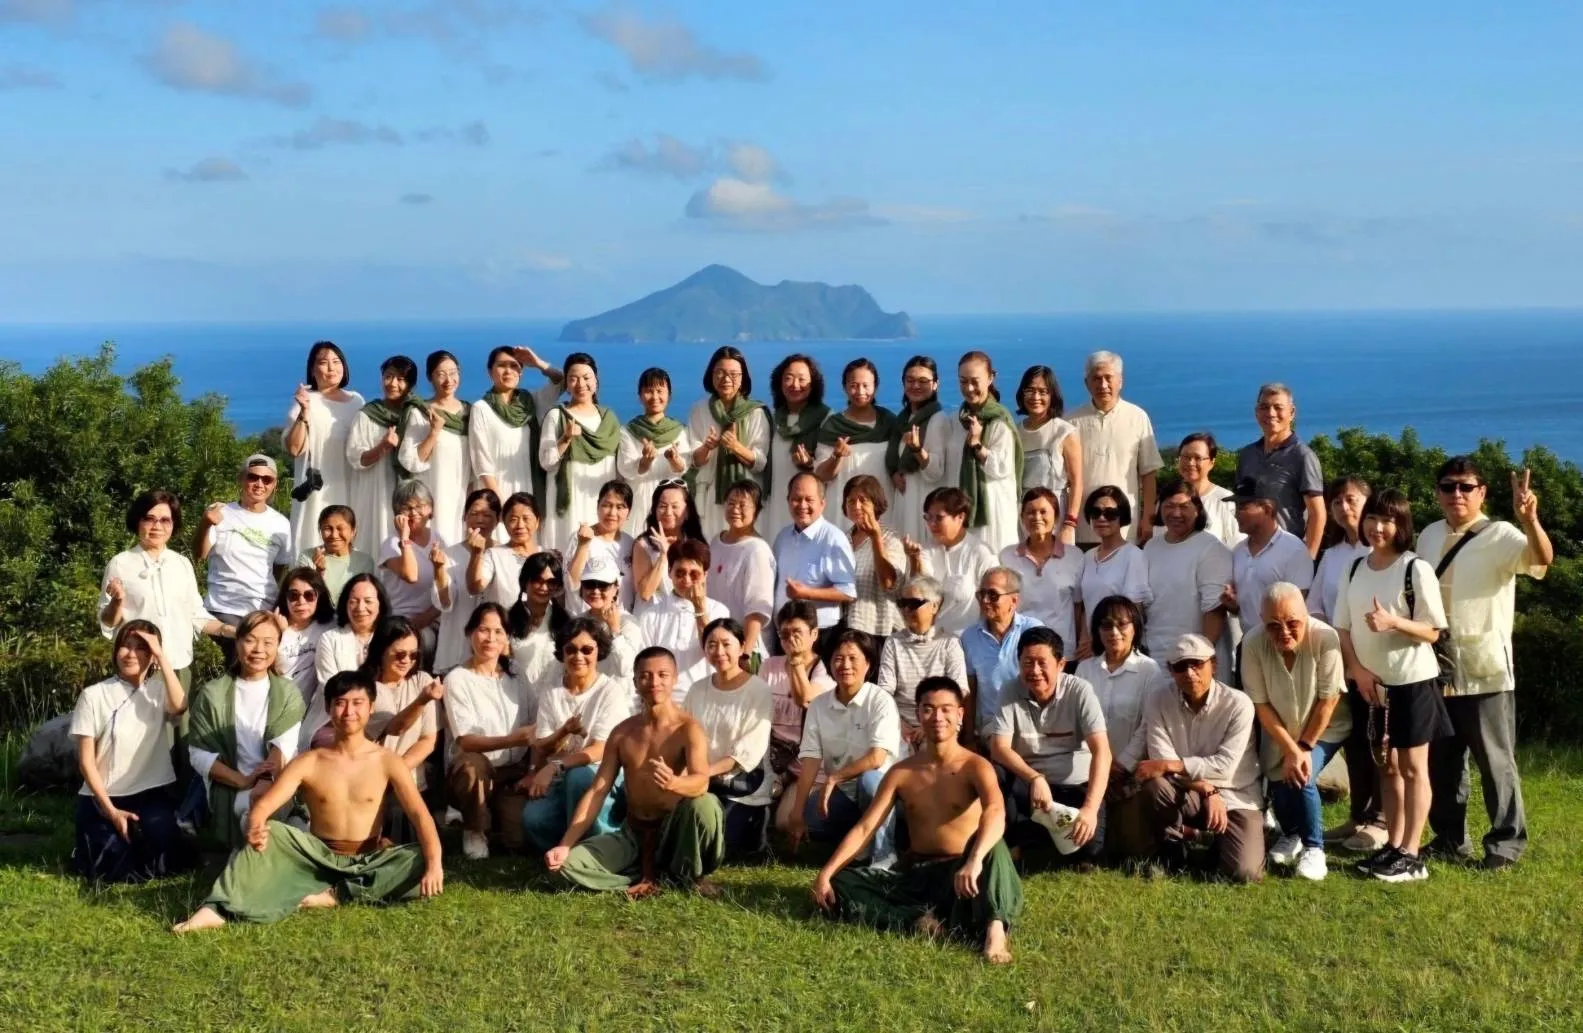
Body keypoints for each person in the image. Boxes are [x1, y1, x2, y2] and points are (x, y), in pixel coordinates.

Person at [172, 670, 443, 933]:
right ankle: (217, 909)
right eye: (340, 703)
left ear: (371, 708)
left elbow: (420, 815)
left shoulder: (388, 761)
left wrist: (434, 865)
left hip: (368, 856)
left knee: (420, 857)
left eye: (357, 703)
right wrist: (256, 822)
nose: (349, 712)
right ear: (328, 709)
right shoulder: (310, 761)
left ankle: (334, 895)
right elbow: (267, 803)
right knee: (270, 834)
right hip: (317, 855)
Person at [812, 677, 1022, 964]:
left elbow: (996, 813)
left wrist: (974, 859)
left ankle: (995, 932)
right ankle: (918, 922)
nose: (938, 717)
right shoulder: (901, 772)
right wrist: (826, 873)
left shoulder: (975, 766)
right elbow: (865, 827)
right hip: (916, 873)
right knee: (843, 882)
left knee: (995, 849)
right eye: (929, 709)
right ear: (918, 714)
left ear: (960, 714)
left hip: (963, 873)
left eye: (946, 709)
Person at [1422, 459, 1552, 871]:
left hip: (1485, 668)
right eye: (1448, 486)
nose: (1456, 494)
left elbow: (1541, 561)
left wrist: (1530, 519)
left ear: (1482, 493)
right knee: (1442, 763)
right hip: (1434, 667)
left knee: (1496, 762)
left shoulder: (1501, 535)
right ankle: (1447, 838)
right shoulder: (1427, 536)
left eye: (1465, 486)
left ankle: (1505, 845)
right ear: (1438, 492)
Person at [1333, 489, 1452, 883]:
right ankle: (1394, 845)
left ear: (1402, 526)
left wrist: (1394, 623)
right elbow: (1343, 628)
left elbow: (1433, 631)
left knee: (1414, 768)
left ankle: (1412, 854)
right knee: (1389, 767)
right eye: (1372, 518)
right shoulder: (1354, 568)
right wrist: (1357, 670)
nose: (1377, 527)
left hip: (1412, 682)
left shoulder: (1414, 568)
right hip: (1372, 686)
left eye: (1387, 520)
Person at [546, 646, 726, 898]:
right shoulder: (622, 732)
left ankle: (684, 873)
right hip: (632, 833)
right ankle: (649, 878)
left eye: (663, 675)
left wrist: (674, 782)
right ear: (635, 681)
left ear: (674, 679)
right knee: (563, 868)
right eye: (646, 675)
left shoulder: (689, 728)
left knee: (706, 805)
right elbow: (598, 791)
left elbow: (701, 783)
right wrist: (565, 845)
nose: (654, 682)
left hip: (676, 834)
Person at [71, 621, 195, 883]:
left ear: (152, 656)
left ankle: (164, 838)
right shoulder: (93, 696)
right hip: (103, 795)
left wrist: (161, 655)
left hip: (151, 793)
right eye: (125, 646)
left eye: (141, 648)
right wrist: (110, 810)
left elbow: (180, 707)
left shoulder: (159, 691)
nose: (130, 654)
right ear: (115, 651)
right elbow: (85, 762)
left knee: (164, 853)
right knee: (107, 867)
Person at [1135, 634, 1263, 883]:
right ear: (1170, 670)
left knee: (1244, 874)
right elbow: (1160, 761)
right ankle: (1171, 848)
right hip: (1189, 791)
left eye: (1197, 664)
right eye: (1181, 666)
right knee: (1156, 786)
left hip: (1237, 795)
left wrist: (1173, 765)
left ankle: (1217, 841)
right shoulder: (1158, 699)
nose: (1190, 673)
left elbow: (1225, 767)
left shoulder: (1239, 704)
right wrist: (1205, 789)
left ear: (1214, 664)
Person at [1242, 583, 1349, 881]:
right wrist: (1289, 748)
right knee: (1277, 777)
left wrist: (1301, 749)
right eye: (1273, 626)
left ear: (1306, 616)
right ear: (1262, 621)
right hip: (1280, 727)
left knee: (1303, 774)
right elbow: (1260, 704)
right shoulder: (1252, 644)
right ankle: (1291, 834)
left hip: (1325, 727)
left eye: (1292, 624)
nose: (1284, 632)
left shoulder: (1325, 638)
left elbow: (1329, 700)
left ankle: (1315, 849)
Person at [987, 626, 1110, 864]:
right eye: (1027, 662)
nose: (1034, 671)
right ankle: (1017, 842)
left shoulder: (1080, 691)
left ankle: (1036, 843)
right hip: (1031, 790)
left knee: (1092, 851)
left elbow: (1102, 751)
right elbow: (998, 747)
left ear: (1061, 664)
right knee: (995, 773)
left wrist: (1090, 809)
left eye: (1042, 663)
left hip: (1075, 786)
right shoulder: (1010, 690)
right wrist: (1035, 778)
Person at [1306, 476, 1382, 851]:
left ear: (1368, 502)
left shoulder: (1381, 549)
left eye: (1350, 499)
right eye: (1335, 502)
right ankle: (1359, 815)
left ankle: (1381, 820)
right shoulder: (1332, 555)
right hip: (1342, 663)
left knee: (1381, 742)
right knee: (1355, 740)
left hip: (1380, 664)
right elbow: (1315, 607)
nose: (1342, 507)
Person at [186, 611, 306, 848]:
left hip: (275, 782)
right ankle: (247, 864)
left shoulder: (287, 692)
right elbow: (198, 754)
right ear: (238, 642)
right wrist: (241, 780)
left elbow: (284, 745)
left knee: (295, 823)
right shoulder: (212, 694)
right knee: (250, 812)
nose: (259, 649)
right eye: (250, 640)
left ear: (278, 646)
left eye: (268, 642)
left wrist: (264, 780)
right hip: (230, 786)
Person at [786, 630, 902, 867]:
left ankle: (883, 855)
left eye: (853, 658)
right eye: (838, 658)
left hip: (882, 791)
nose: (845, 665)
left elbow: (877, 758)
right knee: (810, 817)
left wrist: (834, 778)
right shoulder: (819, 705)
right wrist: (796, 814)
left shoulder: (880, 700)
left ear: (868, 664)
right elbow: (810, 760)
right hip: (843, 793)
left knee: (870, 780)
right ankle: (857, 839)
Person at [521, 618, 633, 853]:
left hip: (600, 776)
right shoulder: (551, 694)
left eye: (586, 649)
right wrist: (561, 735)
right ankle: (568, 849)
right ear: (562, 653)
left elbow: (602, 749)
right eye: (570, 649)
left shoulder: (610, 691)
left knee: (579, 777)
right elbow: (542, 745)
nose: (578, 656)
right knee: (532, 820)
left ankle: (602, 847)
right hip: (560, 779)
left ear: (598, 652)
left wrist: (555, 766)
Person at [99, 489, 231, 688]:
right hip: (138, 668)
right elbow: (108, 621)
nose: (157, 526)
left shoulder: (182, 564)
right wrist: (117, 601)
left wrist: (230, 630)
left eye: (165, 520)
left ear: (173, 524)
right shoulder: (120, 563)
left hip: (179, 666)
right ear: (138, 522)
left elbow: (196, 615)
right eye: (149, 519)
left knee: (179, 719)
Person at [443, 602, 537, 859]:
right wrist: (512, 739)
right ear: (469, 633)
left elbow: (533, 720)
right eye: (484, 630)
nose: (490, 638)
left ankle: (490, 816)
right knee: (472, 766)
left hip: (512, 772)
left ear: (506, 637)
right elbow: (467, 741)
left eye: (498, 632)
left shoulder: (516, 673)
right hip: (475, 769)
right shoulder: (457, 679)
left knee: (518, 841)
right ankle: (474, 828)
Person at [1073, 596, 1164, 860]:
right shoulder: (1085, 669)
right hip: (1088, 771)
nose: (1114, 633)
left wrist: (1121, 764)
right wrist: (1097, 764)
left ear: (1135, 627)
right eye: (1106, 625)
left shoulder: (1150, 670)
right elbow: (1077, 720)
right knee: (1094, 848)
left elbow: (1149, 725)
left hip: (1129, 774)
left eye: (1122, 624)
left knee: (1131, 848)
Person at [685, 618, 774, 858]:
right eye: (712, 645)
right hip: (703, 783)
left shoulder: (759, 690)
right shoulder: (697, 689)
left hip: (741, 787)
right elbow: (685, 736)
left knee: (721, 846)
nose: (719, 651)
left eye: (726, 643)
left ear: (742, 645)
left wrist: (702, 772)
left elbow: (747, 752)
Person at [194, 454, 292, 648]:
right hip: (223, 609)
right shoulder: (220, 513)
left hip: (263, 613)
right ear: (241, 478)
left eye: (267, 479)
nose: (259, 484)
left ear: (275, 484)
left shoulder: (281, 524)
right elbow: (199, 555)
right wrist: (205, 524)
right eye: (252, 477)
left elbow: (280, 569)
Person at [355, 616, 440, 837]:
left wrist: (398, 773)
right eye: (400, 654)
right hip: (371, 782)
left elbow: (428, 740)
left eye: (413, 655)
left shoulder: (422, 680)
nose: (406, 660)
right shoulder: (365, 688)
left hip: (410, 783)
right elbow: (396, 727)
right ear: (381, 650)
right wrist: (422, 701)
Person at [1069, 351, 1163, 546]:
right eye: (1096, 378)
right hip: (1083, 528)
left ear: (1120, 381)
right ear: (1087, 383)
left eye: (1108, 378)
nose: (1103, 385)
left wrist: (1148, 518)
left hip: (1125, 527)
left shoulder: (1137, 418)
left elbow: (1148, 473)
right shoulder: (1071, 422)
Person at [284, 340, 365, 554]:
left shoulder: (357, 401)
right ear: (312, 368)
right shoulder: (307, 400)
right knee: (313, 544)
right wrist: (304, 412)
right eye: (323, 362)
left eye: (337, 361)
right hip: (315, 491)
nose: (331, 367)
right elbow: (294, 449)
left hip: (350, 486)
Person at [763, 603, 836, 831]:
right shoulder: (769, 666)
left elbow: (804, 698)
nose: (789, 639)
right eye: (784, 634)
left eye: (797, 633)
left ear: (814, 634)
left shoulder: (825, 671)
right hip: (775, 758)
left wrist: (795, 661)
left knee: (784, 822)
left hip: (808, 765)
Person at [539, 352, 622, 552]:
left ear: (596, 381)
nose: (580, 384)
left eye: (586, 378)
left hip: (600, 497)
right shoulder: (557, 416)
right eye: (573, 379)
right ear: (566, 384)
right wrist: (565, 439)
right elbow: (546, 462)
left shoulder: (609, 419)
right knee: (566, 553)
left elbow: (618, 468)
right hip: (569, 501)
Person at [875, 576, 968, 753]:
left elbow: (959, 691)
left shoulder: (949, 643)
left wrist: (927, 726)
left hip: (939, 723)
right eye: (902, 603)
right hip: (900, 725)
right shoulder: (894, 642)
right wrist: (898, 724)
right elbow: (885, 691)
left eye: (914, 603)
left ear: (935, 606)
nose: (906, 609)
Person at [771, 473, 858, 658]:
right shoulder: (782, 538)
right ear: (788, 501)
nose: (802, 505)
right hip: (784, 634)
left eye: (809, 499)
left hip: (820, 637)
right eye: (796, 499)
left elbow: (848, 592)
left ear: (822, 503)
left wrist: (806, 593)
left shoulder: (833, 539)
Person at [1143, 480, 1233, 659]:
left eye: (1184, 506)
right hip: (1154, 655)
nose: (1176, 513)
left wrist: (1202, 657)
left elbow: (1214, 609)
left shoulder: (1211, 548)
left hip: (1196, 658)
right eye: (1169, 506)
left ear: (1197, 509)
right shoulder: (1151, 547)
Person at [1235, 383, 1326, 557]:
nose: (1270, 413)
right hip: (1250, 553)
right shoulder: (1247, 455)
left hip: (1287, 553)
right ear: (1256, 413)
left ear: (1292, 413)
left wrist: (1307, 560)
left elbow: (1317, 513)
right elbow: (1241, 505)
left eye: (1278, 407)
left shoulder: (1302, 456)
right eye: (1264, 407)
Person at [688, 345, 770, 541]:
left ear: (743, 379)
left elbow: (761, 462)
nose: (726, 379)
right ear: (711, 375)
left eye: (734, 374)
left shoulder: (755, 412)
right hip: (711, 496)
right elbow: (693, 460)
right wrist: (707, 448)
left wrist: (735, 447)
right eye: (720, 373)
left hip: (747, 498)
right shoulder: (699, 410)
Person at [944, 351, 1022, 553]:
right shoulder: (956, 419)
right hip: (962, 508)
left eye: (974, 381)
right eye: (963, 381)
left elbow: (1001, 468)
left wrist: (977, 443)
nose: (969, 388)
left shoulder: (999, 420)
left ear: (990, 378)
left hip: (992, 511)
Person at [468, 345, 564, 506]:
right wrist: (500, 502)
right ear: (490, 371)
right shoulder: (481, 408)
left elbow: (562, 381)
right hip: (495, 493)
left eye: (514, 366)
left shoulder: (531, 402)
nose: (508, 371)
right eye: (501, 365)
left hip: (529, 489)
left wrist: (539, 363)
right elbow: (481, 462)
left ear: (521, 372)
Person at [398, 349, 473, 545]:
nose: (448, 379)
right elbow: (411, 461)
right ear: (430, 378)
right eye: (441, 374)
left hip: (460, 492)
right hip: (431, 491)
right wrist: (434, 432)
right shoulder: (420, 412)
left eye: (453, 372)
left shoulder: (469, 412)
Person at [635, 539, 730, 694]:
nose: (686, 580)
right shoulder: (651, 615)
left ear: (705, 575)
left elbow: (714, 651)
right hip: (665, 699)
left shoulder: (719, 611)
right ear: (669, 572)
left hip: (706, 696)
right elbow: (644, 665)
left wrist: (699, 608)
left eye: (694, 574)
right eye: (680, 573)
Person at [1000, 487, 1084, 660]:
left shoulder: (1075, 556)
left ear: (1057, 516)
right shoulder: (1007, 556)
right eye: (1030, 512)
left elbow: (1078, 608)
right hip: (1021, 650)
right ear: (1022, 517)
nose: (1037, 517)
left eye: (1043, 512)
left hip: (1062, 653)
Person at [345, 354, 418, 551]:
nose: (393, 383)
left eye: (401, 379)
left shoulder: (416, 415)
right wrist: (383, 447)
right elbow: (354, 457)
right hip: (374, 494)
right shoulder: (367, 415)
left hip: (408, 496)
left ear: (411, 385)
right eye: (388, 376)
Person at [960, 567, 1043, 736]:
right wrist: (968, 737)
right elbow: (970, 690)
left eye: (993, 595)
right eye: (980, 594)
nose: (984, 600)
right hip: (992, 725)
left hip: (1031, 720)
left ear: (1014, 600)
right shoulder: (969, 637)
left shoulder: (1033, 630)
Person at [1226, 480, 1314, 638]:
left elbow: (1298, 605)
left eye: (1243, 507)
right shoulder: (1238, 551)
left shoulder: (1294, 550)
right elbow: (1243, 607)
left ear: (1267, 509)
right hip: (1249, 643)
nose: (1236, 514)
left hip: (1284, 642)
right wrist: (1233, 605)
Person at [814, 358, 897, 521]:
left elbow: (898, 463)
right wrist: (836, 457)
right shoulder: (833, 425)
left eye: (866, 385)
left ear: (875, 387)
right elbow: (821, 475)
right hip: (844, 509)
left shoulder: (889, 422)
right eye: (853, 385)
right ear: (845, 387)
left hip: (881, 506)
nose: (860, 391)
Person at [908, 486, 997, 636]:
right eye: (928, 517)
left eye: (939, 518)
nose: (931, 524)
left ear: (960, 517)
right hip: (932, 640)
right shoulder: (925, 549)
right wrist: (914, 558)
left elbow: (994, 600)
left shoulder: (980, 552)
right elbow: (922, 592)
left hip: (968, 640)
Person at [617, 367, 693, 539]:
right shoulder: (628, 431)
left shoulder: (679, 430)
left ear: (669, 395)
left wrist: (674, 460)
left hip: (671, 502)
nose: (655, 397)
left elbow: (684, 467)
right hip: (640, 499)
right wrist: (645, 461)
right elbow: (626, 469)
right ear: (640, 396)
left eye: (660, 391)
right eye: (649, 391)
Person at [433, 488, 503, 675]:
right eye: (473, 513)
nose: (480, 520)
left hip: (495, 651)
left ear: (498, 520)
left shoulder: (503, 553)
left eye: (487, 515)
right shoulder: (449, 554)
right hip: (457, 650)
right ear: (464, 517)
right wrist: (439, 569)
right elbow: (444, 603)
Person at [1077, 486, 1153, 655]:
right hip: (1090, 651)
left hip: (1119, 648)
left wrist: (1104, 645)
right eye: (1095, 513)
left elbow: (1134, 611)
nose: (1102, 518)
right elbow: (1084, 606)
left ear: (1122, 517)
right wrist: (1084, 641)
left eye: (1110, 514)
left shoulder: (1134, 556)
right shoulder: (1088, 557)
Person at [765, 353, 831, 544]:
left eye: (802, 379)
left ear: (813, 384)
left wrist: (809, 463)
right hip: (776, 499)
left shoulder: (825, 418)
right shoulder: (772, 417)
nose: (795, 385)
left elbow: (825, 464)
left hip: (806, 502)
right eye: (788, 378)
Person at [708, 479, 777, 658]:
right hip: (717, 643)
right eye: (731, 503)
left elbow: (757, 608)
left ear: (756, 510)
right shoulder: (716, 542)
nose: (735, 509)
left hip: (745, 648)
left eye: (743, 505)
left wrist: (745, 653)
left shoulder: (757, 549)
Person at [885, 355, 950, 545]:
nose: (916, 386)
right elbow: (895, 457)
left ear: (935, 384)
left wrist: (917, 450)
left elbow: (936, 471)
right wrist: (895, 472)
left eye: (923, 381)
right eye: (910, 380)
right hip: (905, 499)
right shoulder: (902, 420)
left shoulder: (938, 420)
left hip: (923, 499)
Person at [1015, 364, 1083, 537]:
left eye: (1042, 391)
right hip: (1023, 515)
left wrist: (1070, 523)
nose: (1035, 397)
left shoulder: (1064, 431)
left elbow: (1077, 482)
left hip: (1056, 516)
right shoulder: (1014, 432)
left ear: (1052, 395)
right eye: (1029, 390)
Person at [841, 475, 907, 651]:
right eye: (851, 501)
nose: (856, 506)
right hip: (844, 629)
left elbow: (889, 584)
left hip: (878, 631)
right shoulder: (840, 539)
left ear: (876, 504)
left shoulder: (890, 538)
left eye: (863, 500)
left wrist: (876, 538)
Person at [378, 479, 445, 650]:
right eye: (407, 508)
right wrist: (405, 539)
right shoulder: (391, 544)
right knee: (425, 642)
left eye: (420, 506)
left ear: (430, 509)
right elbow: (411, 575)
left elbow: (447, 584)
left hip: (434, 618)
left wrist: (430, 616)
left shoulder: (438, 539)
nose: (414, 512)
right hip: (401, 623)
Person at [313, 573, 389, 718]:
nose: (361, 608)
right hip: (336, 718)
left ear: (380, 604)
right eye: (354, 601)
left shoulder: (389, 638)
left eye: (368, 601)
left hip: (382, 715)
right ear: (345, 604)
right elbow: (330, 688)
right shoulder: (329, 639)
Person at [569, 551, 647, 682]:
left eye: (603, 585)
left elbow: (625, 668)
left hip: (618, 699)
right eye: (590, 584)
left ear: (616, 587)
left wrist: (615, 631)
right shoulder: (577, 622)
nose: (595, 591)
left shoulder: (629, 623)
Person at [631, 479, 706, 612]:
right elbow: (644, 593)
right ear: (654, 510)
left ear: (687, 511)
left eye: (675, 506)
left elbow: (701, 589)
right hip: (651, 618)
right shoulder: (643, 545)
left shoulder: (696, 544)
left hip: (685, 616)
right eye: (663, 506)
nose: (668, 512)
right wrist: (663, 555)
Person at [565, 480, 636, 615]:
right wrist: (583, 545)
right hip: (585, 622)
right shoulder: (580, 537)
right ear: (598, 506)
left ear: (629, 512)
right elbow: (571, 583)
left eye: (620, 507)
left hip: (621, 621)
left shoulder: (631, 543)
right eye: (607, 505)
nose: (612, 513)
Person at [507, 551, 573, 690]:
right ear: (525, 582)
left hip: (553, 701)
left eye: (551, 582)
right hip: (516, 698)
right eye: (538, 580)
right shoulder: (506, 619)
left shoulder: (568, 621)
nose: (544, 587)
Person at [470, 491, 544, 611]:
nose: (520, 525)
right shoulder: (494, 555)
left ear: (537, 522)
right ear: (504, 523)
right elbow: (475, 587)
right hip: (505, 627)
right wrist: (476, 554)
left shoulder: (548, 556)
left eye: (526, 519)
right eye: (513, 519)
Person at [274, 567, 335, 706]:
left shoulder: (330, 626)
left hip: (313, 708)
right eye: (294, 595)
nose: (301, 601)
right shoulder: (272, 626)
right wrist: (281, 633)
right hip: (278, 704)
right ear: (285, 597)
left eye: (309, 595)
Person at [295, 504, 376, 608]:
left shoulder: (365, 561)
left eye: (340, 528)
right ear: (320, 531)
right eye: (328, 528)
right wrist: (318, 573)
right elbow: (303, 598)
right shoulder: (308, 557)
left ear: (353, 531)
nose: (334, 535)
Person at [1175, 432, 1241, 548]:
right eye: (1185, 457)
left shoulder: (1225, 500)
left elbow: (1238, 545)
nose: (1190, 463)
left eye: (1198, 458)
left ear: (1211, 462)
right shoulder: (1167, 499)